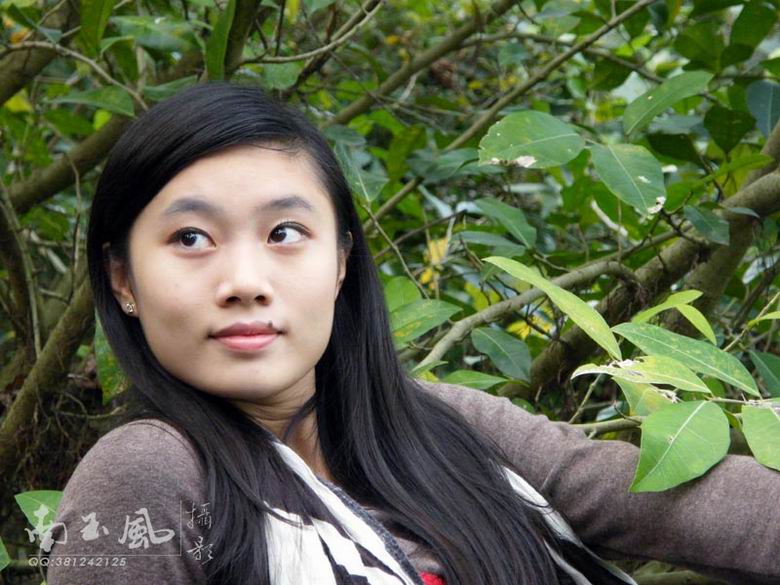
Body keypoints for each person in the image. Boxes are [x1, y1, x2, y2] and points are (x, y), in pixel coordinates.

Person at [43, 82, 779, 585]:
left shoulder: (446, 426)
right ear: (123, 279)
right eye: (192, 238)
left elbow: (696, 503)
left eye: (285, 231)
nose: (244, 280)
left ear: (341, 261)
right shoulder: (148, 476)